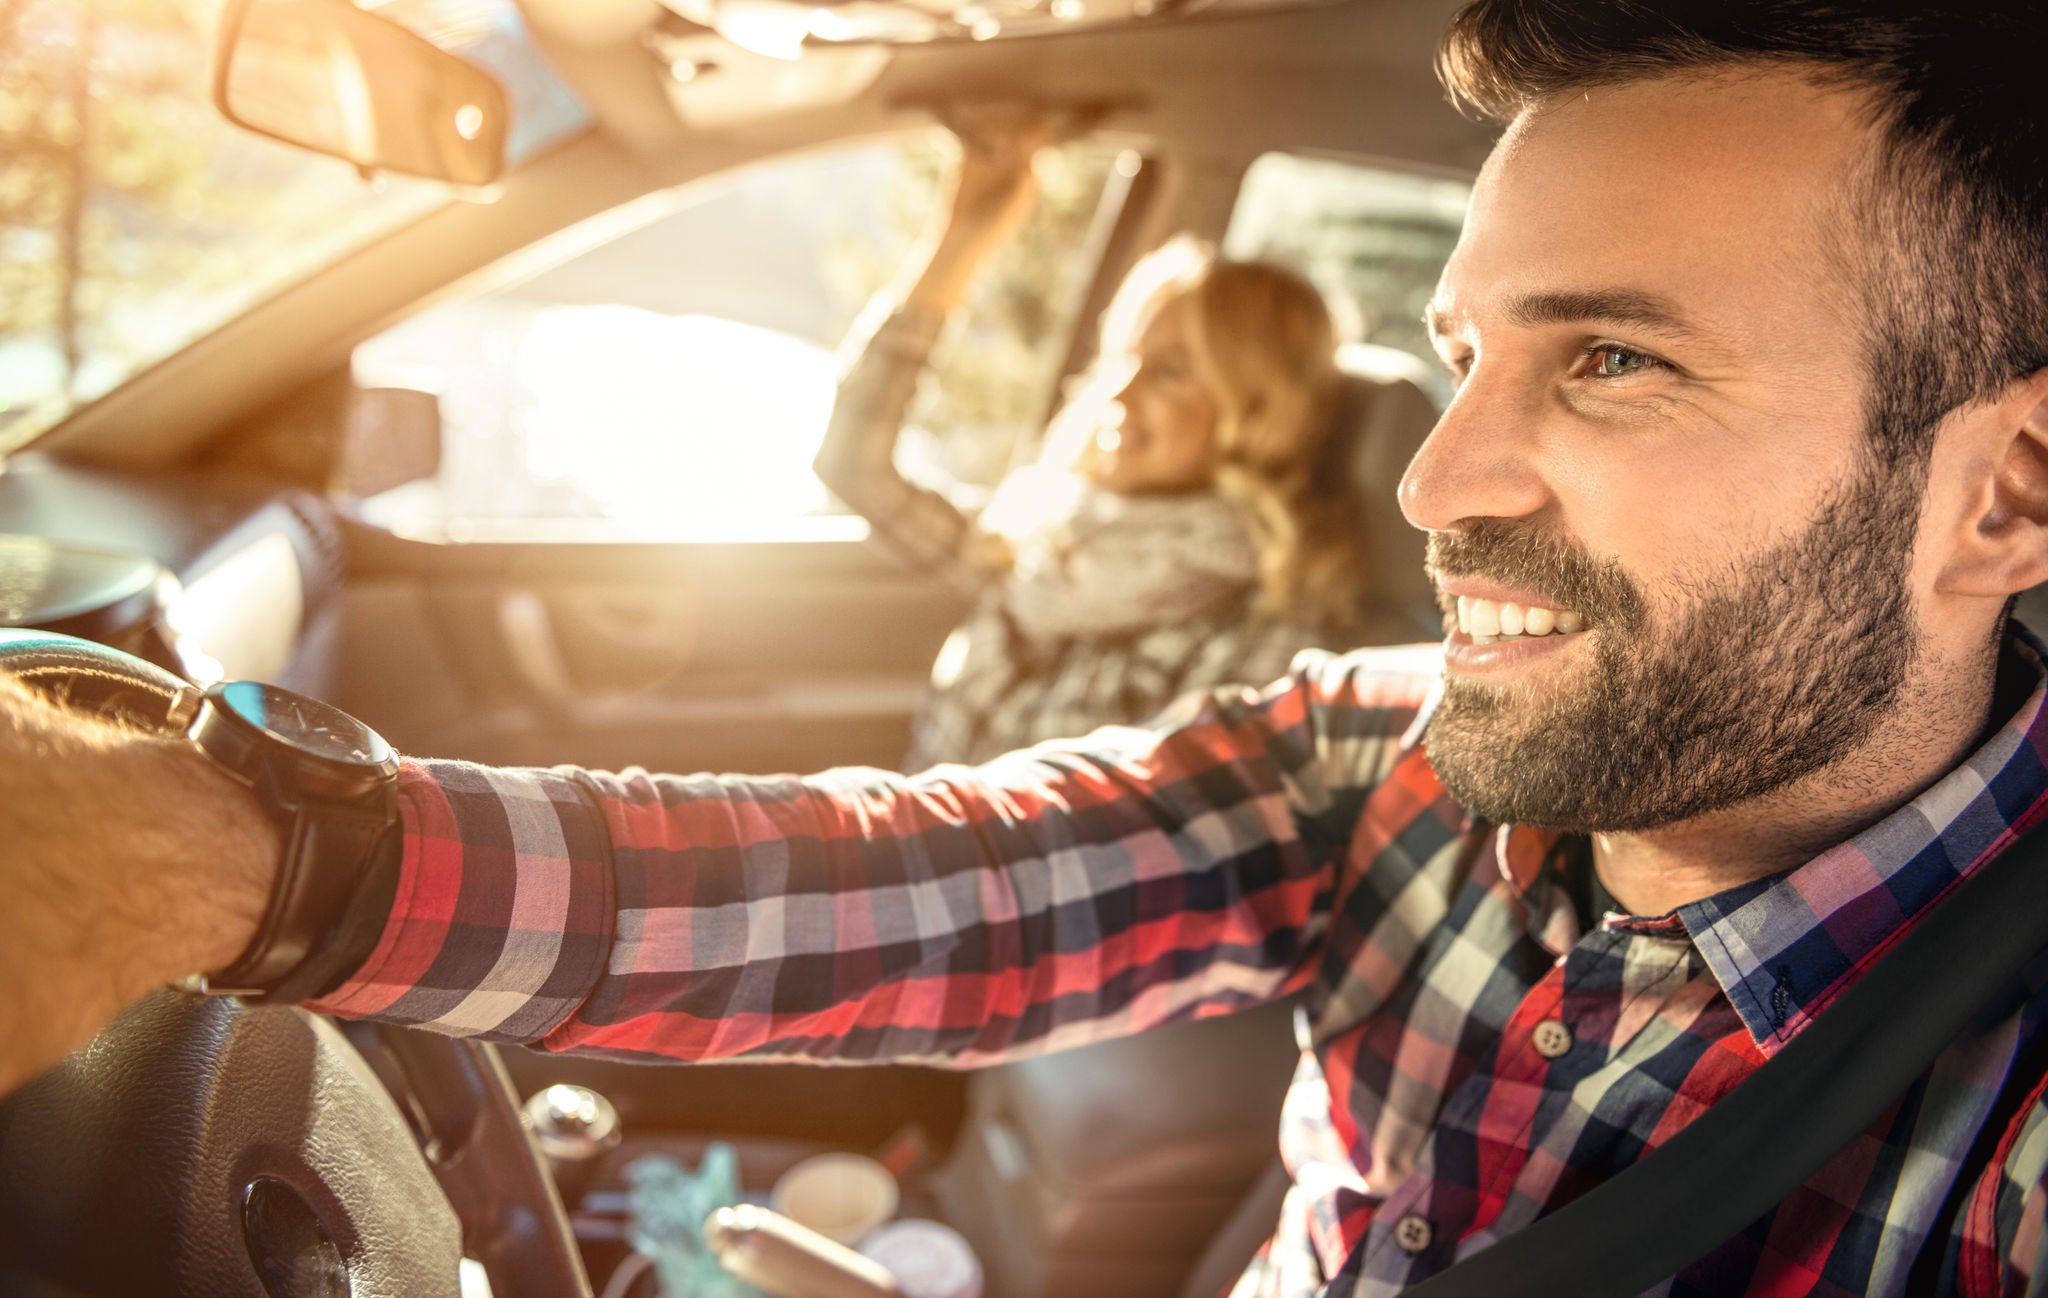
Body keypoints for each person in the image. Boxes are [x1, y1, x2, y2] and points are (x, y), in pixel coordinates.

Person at [5, 0, 2048, 1293]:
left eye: (1611, 361)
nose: (1436, 481)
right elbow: (912, 880)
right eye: (1461, 359)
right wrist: (222, 859)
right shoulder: (1377, 760)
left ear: (2006, 499)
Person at [815, 120, 1420, 767]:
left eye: (1170, 370)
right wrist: (960, 243)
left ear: (1255, 406)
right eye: (1121, 357)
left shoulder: (1263, 630)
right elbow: (855, 466)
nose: (1119, 392)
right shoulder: (1043, 543)